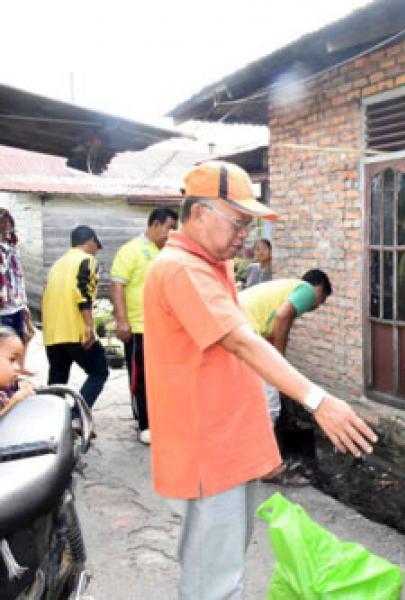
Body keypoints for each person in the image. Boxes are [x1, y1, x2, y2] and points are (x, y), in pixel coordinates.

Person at [143, 160, 377, 599]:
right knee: (213, 580)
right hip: (208, 451)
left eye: (248, 225)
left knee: (221, 565)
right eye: (238, 222)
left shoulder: (211, 264)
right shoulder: (182, 269)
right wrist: (318, 400)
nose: (244, 235)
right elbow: (243, 344)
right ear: (199, 214)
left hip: (225, 446)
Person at [110, 207, 178, 445]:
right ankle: (145, 424)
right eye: (170, 227)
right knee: (141, 377)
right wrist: (122, 320)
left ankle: (162, 420)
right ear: (156, 224)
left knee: (164, 376)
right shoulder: (130, 250)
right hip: (139, 326)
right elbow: (117, 286)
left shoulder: (167, 252)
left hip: (164, 327)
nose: (171, 233)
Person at [239, 269, 332, 422]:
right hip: (244, 327)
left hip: (236, 323)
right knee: (270, 401)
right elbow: (282, 316)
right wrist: (280, 359)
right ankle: (267, 438)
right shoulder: (307, 290)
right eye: (322, 300)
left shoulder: (286, 291)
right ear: (319, 289)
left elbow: (275, 324)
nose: (317, 307)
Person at [41, 225, 108, 410]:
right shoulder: (87, 260)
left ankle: (50, 422)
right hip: (75, 329)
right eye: (96, 246)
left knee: (57, 381)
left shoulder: (58, 264)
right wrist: (89, 326)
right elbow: (83, 292)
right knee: (99, 371)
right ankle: (78, 417)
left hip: (53, 333)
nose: (96, 251)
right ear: (90, 242)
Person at [0, 209, 33, 374]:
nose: (6, 225)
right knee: (5, 341)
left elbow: (19, 276)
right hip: (2, 305)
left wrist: (24, 303)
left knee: (22, 336)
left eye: (8, 221)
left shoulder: (13, 247)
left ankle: (19, 367)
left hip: (16, 302)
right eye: (2, 222)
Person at [0, 325, 35, 416]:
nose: (17, 367)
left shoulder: (6, 387)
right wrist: (13, 403)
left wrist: (23, 388)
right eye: (12, 359)